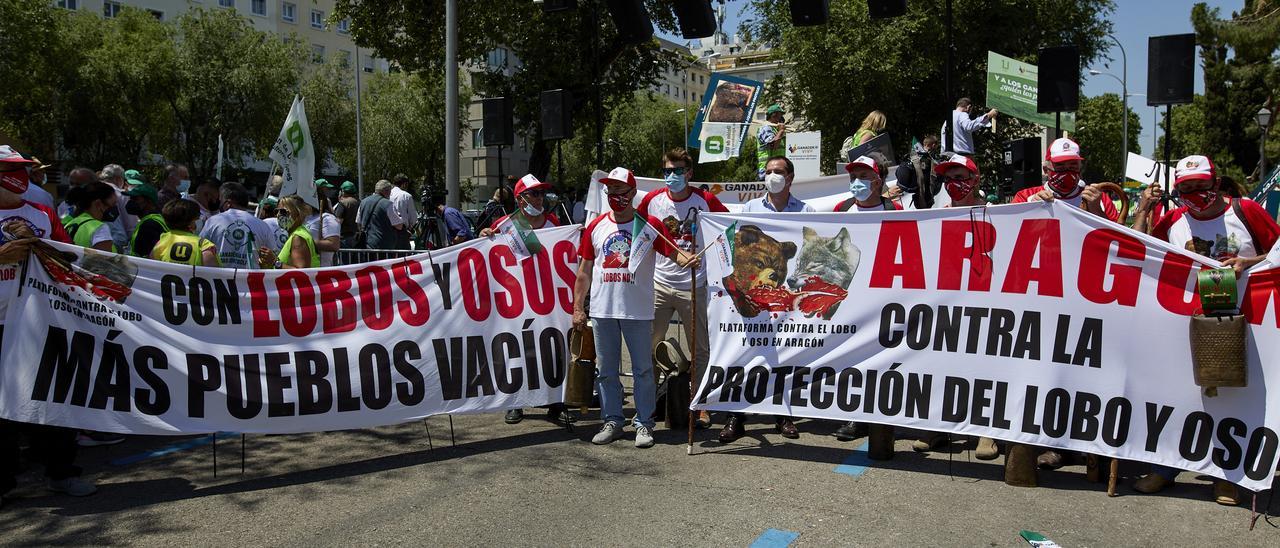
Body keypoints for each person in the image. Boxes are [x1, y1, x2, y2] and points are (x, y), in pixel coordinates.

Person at [1133, 156, 1280, 506]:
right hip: (1184, 323)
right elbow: (1136, 251)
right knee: (1179, 396)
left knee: (1232, 399)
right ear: (1177, 191)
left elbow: (1278, 251)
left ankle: (1225, 477)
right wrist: (1142, 211)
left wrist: (1249, 263)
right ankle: (1165, 469)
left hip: (1241, 322)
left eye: (1203, 186)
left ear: (1216, 182)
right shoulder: (1172, 221)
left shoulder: (1245, 211)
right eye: (1188, 188)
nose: (1198, 194)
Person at [0, 145, 98, 502]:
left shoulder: (42, 211)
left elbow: (69, 256)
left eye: (24, 169)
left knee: (55, 398)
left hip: (38, 322)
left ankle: (61, 473)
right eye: (12, 170)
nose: (22, 177)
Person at [574, 167, 697, 448]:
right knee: (605, 370)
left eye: (620, 191)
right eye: (610, 190)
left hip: (637, 311)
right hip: (603, 310)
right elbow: (584, 270)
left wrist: (687, 259)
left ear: (632, 193)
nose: (615, 196)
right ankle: (613, 421)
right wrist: (578, 307)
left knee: (643, 370)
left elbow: (673, 252)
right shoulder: (595, 226)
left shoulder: (649, 224)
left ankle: (644, 424)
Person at [718, 156, 812, 443]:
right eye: (769, 172)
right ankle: (736, 416)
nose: (773, 176)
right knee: (744, 351)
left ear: (791, 177)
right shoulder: (751, 208)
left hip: (782, 296)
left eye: (779, 172)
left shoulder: (806, 210)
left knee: (782, 353)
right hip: (750, 294)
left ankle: (783, 415)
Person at [637, 148, 729, 432]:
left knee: (700, 349)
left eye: (678, 171)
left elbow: (727, 228)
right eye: (667, 171)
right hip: (660, 284)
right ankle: (648, 404)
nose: (672, 176)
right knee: (650, 346)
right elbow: (636, 229)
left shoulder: (706, 199)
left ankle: (699, 404)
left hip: (695, 284)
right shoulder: (652, 201)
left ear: (689, 173)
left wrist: (711, 256)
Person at [1011, 138, 1119, 222]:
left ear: (1080, 167)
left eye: (1073, 166)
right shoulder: (1025, 197)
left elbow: (1120, 240)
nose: (1067, 171)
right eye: (1060, 166)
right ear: (1045, 170)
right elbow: (1008, 230)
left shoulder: (1098, 198)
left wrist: (1097, 211)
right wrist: (1031, 209)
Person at [200, 182, 279, 269]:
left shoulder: (212, 221)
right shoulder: (262, 226)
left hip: (218, 279)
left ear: (227, 203)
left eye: (220, 200)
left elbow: (201, 249)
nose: (218, 203)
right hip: (249, 280)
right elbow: (272, 256)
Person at [480, 175, 560, 235]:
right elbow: (486, 247)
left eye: (542, 193)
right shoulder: (504, 224)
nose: (540, 198)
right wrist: (483, 235)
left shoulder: (553, 221)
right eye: (535, 193)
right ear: (519, 199)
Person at [151, 199, 219, 266]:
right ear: (191, 223)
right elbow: (213, 274)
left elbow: (152, 270)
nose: (200, 220)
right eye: (198, 217)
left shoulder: (161, 243)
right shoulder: (204, 246)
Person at [62, 181, 120, 253]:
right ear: (98, 203)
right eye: (113, 204)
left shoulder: (70, 224)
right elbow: (104, 262)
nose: (115, 208)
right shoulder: (99, 228)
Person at [834, 153, 901, 212]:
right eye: (853, 176)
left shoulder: (895, 210)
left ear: (877, 183)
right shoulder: (841, 209)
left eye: (863, 176)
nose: (857, 181)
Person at [276, 195, 321, 269]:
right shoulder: (298, 233)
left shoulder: (298, 237)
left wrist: (275, 263)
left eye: (283, 212)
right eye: (276, 211)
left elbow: (300, 273)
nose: (278, 215)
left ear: (298, 214)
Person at [124, 183, 167, 258]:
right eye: (130, 198)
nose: (131, 202)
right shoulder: (154, 219)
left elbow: (147, 256)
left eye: (135, 199)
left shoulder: (150, 225)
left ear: (149, 202)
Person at [304, 181, 342, 266]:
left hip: (321, 269)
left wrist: (303, 243)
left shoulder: (328, 218)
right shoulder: (304, 218)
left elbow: (333, 245)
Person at [357, 180, 399, 250]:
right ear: (387, 191)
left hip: (366, 244)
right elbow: (398, 225)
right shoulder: (388, 204)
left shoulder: (363, 202)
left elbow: (358, 222)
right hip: (384, 245)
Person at [756, 104, 787, 180]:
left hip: (778, 169)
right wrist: (781, 131)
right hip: (768, 170)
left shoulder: (775, 130)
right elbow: (774, 145)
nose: (781, 118)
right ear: (773, 115)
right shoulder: (765, 128)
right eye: (780, 115)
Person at [389, 174, 418, 249]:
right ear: (404, 184)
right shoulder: (406, 196)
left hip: (388, 230)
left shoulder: (387, 194)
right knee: (403, 257)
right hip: (402, 231)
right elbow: (414, 217)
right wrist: (410, 229)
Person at [333, 181, 361, 249]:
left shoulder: (343, 203)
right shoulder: (359, 202)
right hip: (357, 237)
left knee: (344, 259)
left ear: (343, 191)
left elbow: (338, 221)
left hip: (344, 238)